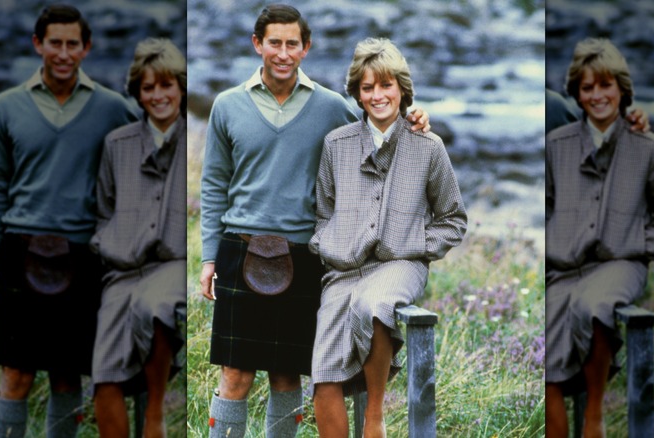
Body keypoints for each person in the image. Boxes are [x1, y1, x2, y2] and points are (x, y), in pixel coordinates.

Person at [199, 5, 429, 438]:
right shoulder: (227, 106)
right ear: (257, 45)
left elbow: (377, 127)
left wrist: (414, 119)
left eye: (291, 43)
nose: (282, 53)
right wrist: (208, 259)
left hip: (302, 255)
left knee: (287, 375)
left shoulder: (330, 107)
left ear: (305, 48)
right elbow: (213, 187)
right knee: (235, 376)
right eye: (274, 43)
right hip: (239, 248)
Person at [0, 4, 137, 437]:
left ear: (86, 48)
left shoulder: (111, 108)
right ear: (38, 45)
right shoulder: (9, 106)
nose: (63, 53)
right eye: (55, 43)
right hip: (19, 249)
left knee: (68, 375)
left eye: (73, 44)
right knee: (16, 373)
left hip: (82, 255)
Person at [309, 37, 467, 438]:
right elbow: (323, 212)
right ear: (357, 95)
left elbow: (452, 218)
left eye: (386, 85)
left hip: (401, 266)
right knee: (323, 375)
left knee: (374, 303)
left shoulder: (428, 147)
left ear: (402, 89)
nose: (378, 95)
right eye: (368, 88)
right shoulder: (335, 145)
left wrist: (417, 245)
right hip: (343, 269)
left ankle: (373, 419)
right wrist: (329, 243)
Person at [545, 38, 654, 438]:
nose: (597, 96)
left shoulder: (648, 147)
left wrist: (637, 246)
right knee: (546, 355)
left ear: (622, 89)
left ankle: (594, 415)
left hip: (621, 266)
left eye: (606, 85)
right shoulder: (557, 144)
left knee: (594, 305)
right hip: (565, 267)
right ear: (577, 93)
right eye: (587, 88)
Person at [89, 38, 186, 438]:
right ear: (138, 93)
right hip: (123, 269)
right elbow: (104, 206)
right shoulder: (117, 144)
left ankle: (155, 415)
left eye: (167, 85)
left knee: (157, 306)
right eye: (149, 88)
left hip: (173, 264)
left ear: (181, 86)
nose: (159, 95)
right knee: (105, 374)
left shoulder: (198, 140)